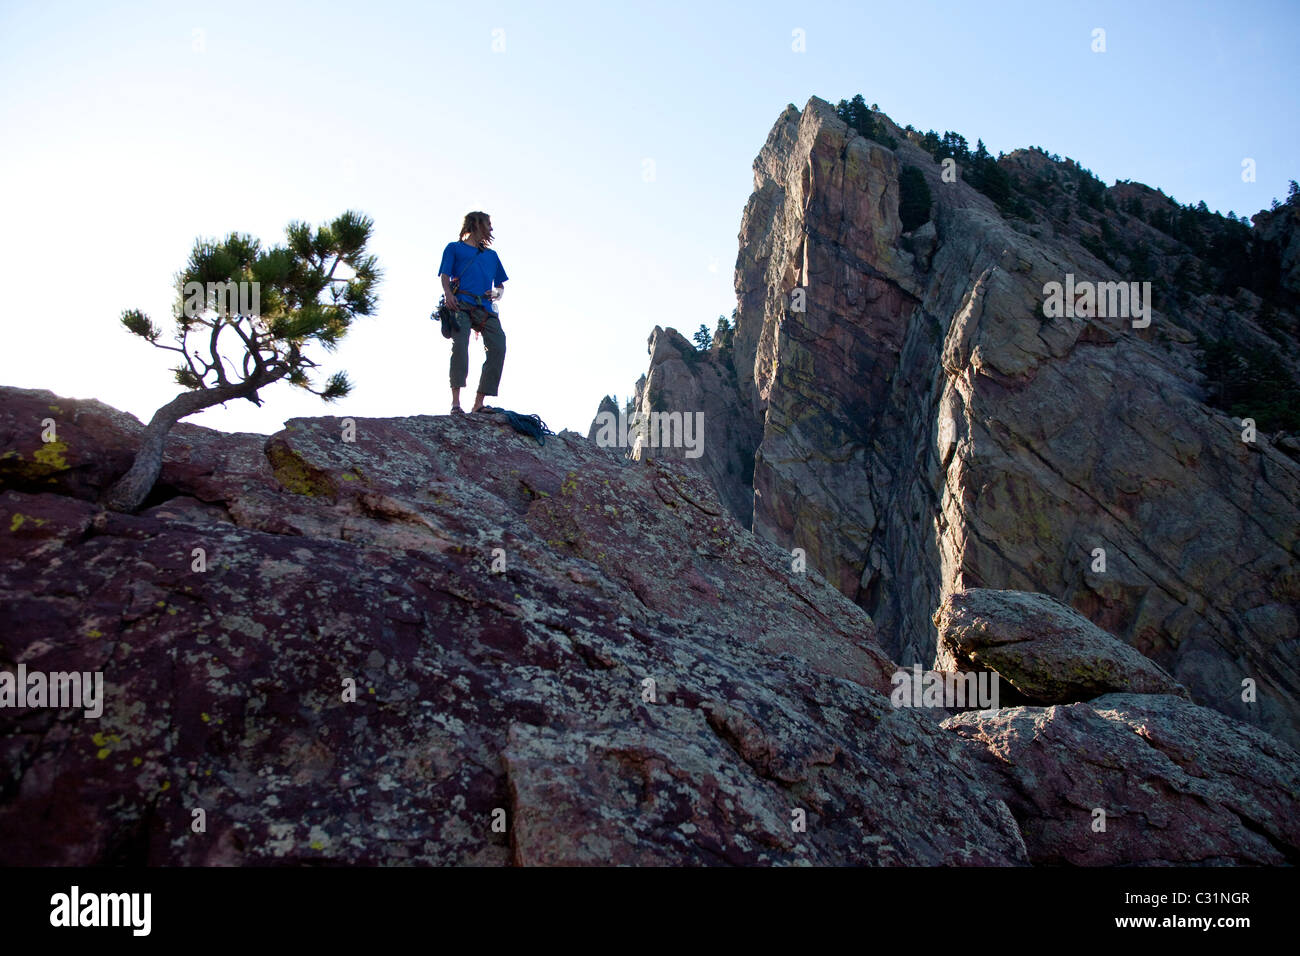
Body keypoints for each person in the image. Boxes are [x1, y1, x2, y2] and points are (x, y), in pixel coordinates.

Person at [439, 211, 508, 414]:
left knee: (498, 346)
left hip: (485, 308)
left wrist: (496, 293)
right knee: (460, 346)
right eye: (488, 224)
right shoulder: (454, 248)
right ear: (476, 224)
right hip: (461, 303)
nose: (491, 228)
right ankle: (456, 403)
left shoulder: (491, 256)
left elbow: (500, 286)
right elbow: (445, 275)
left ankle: (479, 403)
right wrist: (447, 294)